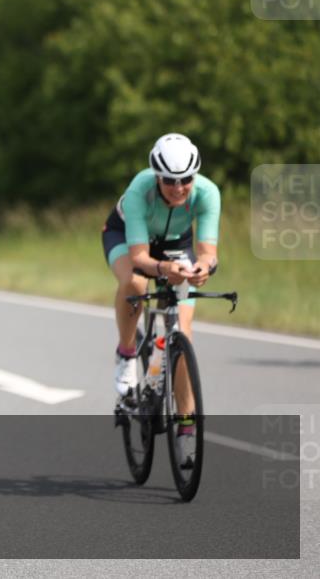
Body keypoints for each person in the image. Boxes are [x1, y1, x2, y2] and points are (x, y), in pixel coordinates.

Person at [101, 133, 220, 466]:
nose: (178, 188)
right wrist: (164, 268)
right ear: (157, 176)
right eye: (169, 180)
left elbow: (207, 251)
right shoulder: (140, 190)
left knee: (183, 332)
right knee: (136, 283)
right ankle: (127, 354)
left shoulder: (208, 193)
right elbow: (139, 257)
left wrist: (202, 268)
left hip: (175, 244)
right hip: (126, 238)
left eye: (186, 179)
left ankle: (186, 428)